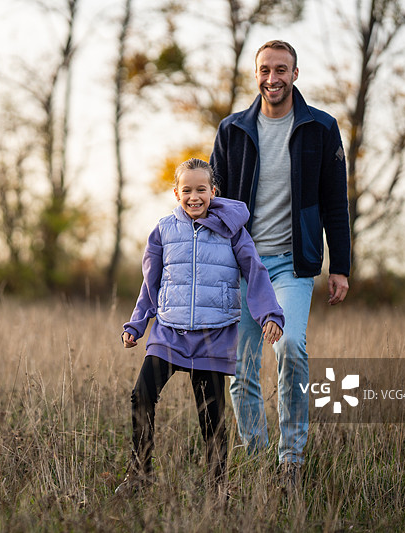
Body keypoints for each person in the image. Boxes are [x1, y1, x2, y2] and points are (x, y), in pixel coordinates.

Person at [210, 40, 351, 489]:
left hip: (293, 265)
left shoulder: (321, 128)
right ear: (256, 75)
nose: (273, 78)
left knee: (290, 346)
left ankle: (291, 460)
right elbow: (212, 207)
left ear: (295, 74)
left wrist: (341, 266)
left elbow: (335, 203)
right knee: (240, 369)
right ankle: (256, 458)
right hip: (243, 268)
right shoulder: (232, 130)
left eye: (281, 70)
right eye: (265, 70)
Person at [117, 158, 284, 494]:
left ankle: (216, 488)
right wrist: (137, 324)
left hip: (213, 334)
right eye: (187, 190)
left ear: (213, 191)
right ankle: (139, 476)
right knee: (142, 395)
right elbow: (150, 282)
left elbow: (255, 272)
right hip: (169, 332)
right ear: (176, 192)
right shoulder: (164, 229)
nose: (195, 197)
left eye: (201, 190)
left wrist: (270, 314)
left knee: (211, 417)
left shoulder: (232, 230)